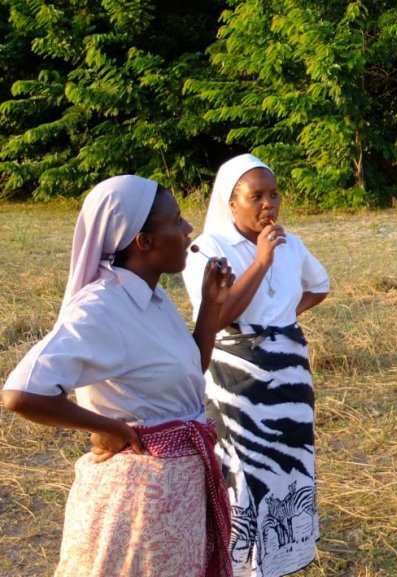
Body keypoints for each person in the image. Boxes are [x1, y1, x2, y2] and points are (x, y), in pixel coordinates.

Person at [2, 175, 235, 577]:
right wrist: (107, 426)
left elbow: (186, 375)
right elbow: (21, 393)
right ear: (144, 242)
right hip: (134, 502)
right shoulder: (101, 308)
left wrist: (211, 307)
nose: (187, 229)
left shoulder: (152, 296)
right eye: (176, 221)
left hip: (172, 502)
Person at [183, 154, 330, 577]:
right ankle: (239, 565)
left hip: (289, 373)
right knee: (242, 468)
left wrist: (280, 318)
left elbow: (318, 287)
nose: (269, 204)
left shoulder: (290, 242)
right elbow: (220, 315)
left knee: (289, 462)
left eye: (274, 194)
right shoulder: (208, 249)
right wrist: (261, 261)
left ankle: (285, 558)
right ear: (231, 204)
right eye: (256, 197)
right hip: (236, 375)